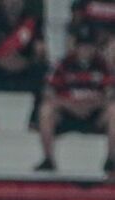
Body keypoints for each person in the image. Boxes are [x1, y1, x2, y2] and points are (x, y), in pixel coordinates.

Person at [35, 24, 115, 176]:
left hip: (94, 115)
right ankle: (48, 159)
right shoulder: (63, 64)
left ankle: (112, 160)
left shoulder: (103, 65)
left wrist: (91, 104)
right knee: (46, 110)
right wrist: (70, 104)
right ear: (76, 46)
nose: (85, 50)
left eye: (89, 46)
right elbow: (49, 93)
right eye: (82, 46)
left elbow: (110, 95)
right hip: (68, 114)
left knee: (114, 111)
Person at [0, 0, 47, 127]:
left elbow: (41, 52)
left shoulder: (32, 21)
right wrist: (1, 61)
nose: (13, 3)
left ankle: (35, 118)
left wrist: (24, 62)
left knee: (43, 70)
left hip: (23, 71)